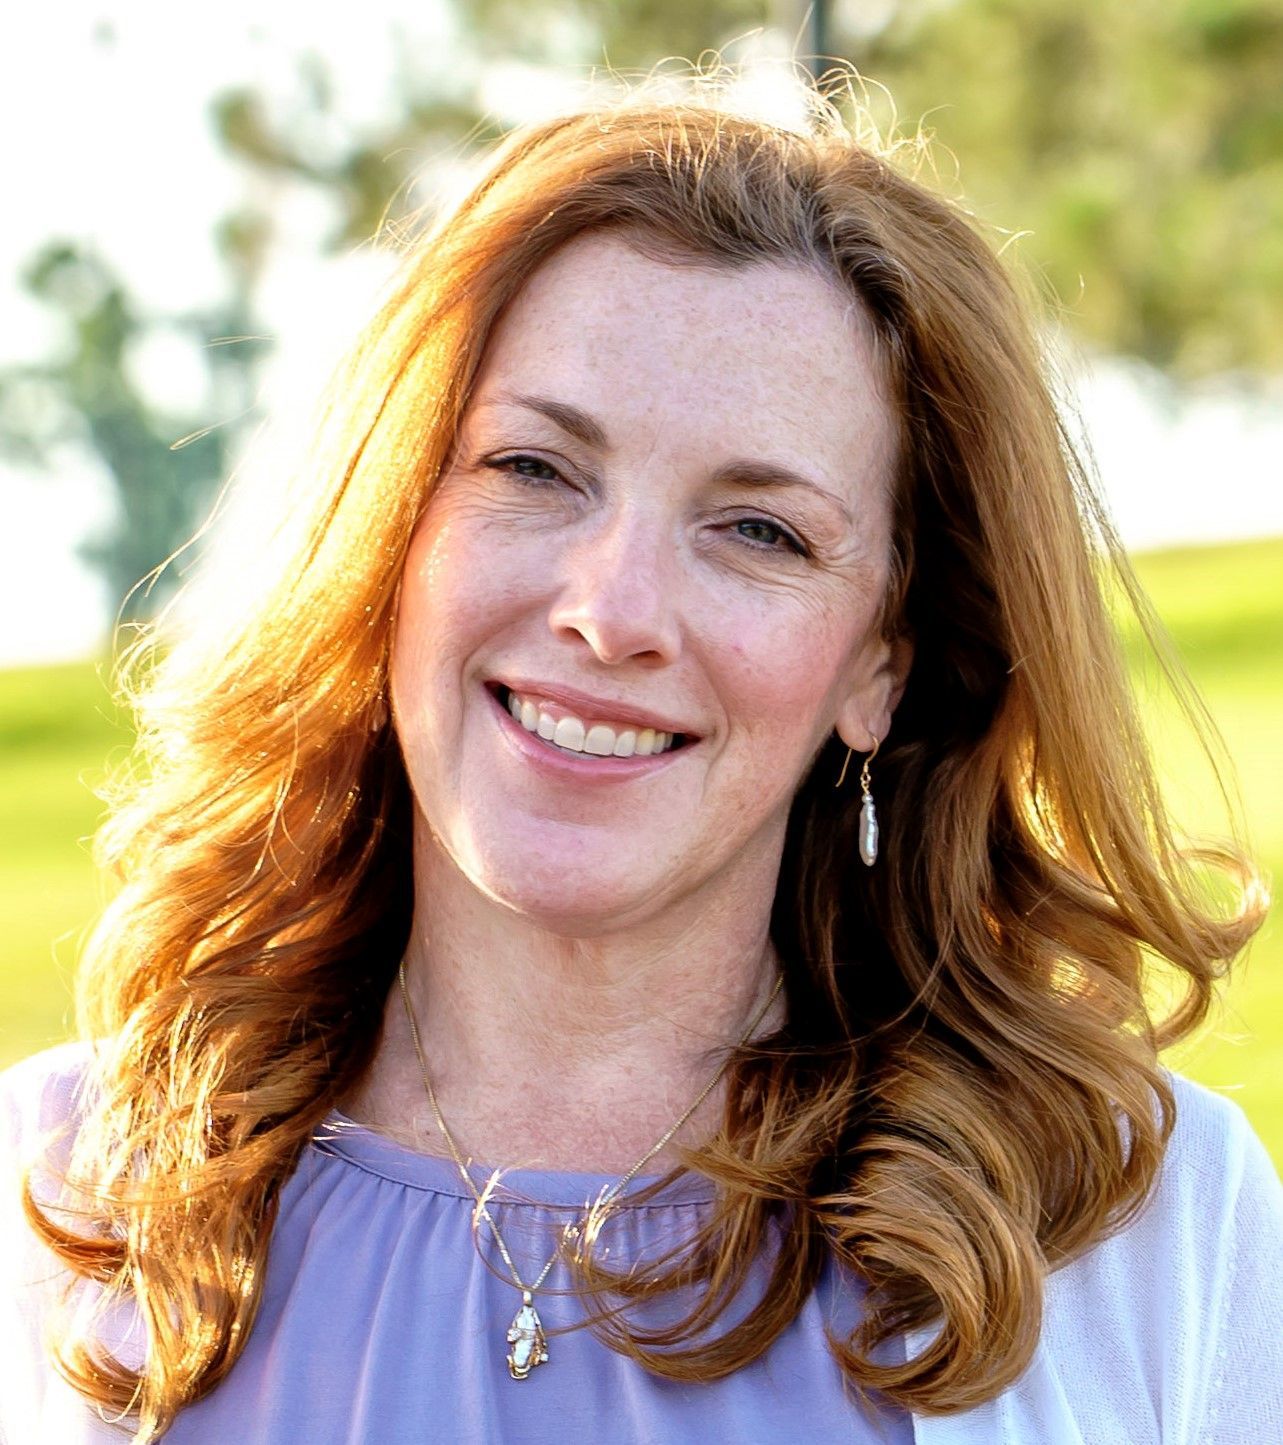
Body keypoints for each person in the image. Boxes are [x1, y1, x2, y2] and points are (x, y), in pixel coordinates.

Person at [2, 73, 1281, 1445]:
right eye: (536, 468)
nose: (608, 613)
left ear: (882, 664)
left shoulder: (1138, 1230)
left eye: (759, 531)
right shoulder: (61, 1196)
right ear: (391, 530)